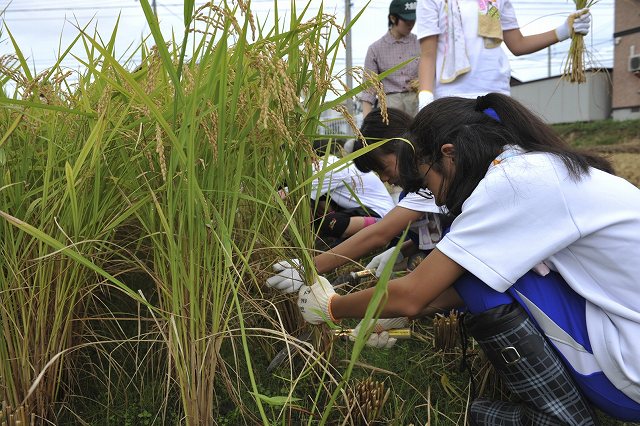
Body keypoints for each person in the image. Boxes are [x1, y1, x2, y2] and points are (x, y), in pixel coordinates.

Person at [292, 93, 640, 423]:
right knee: (481, 270)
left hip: (631, 375)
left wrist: (332, 306)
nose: (437, 199)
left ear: (449, 154)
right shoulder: (532, 165)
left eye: (427, 179)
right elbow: (437, 293)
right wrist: (386, 316)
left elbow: (415, 293)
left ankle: (559, 418)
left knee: (473, 273)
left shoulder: (514, 183)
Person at [267, 107, 447, 293]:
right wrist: (402, 250)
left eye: (384, 168)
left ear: (400, 145)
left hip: (381, 221)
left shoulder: (428, 186)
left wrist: (310, 267)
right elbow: (434, 237)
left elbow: (379, 234)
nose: (384, 178)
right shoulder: (414, 190)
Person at [415, 0, 592, 109]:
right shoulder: (431, 0)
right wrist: (425, 97)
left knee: (497, 162)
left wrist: (563, 31)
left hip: (495, 95)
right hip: (449, 97)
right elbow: (428, 54)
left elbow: (517, 44)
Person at [308, 139, 396, 241]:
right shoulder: (337, 163)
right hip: (362, 210)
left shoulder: (329, 167)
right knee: (321, 207)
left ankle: (379, 225)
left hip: (380, 214)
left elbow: (296, 195)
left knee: (333, 223)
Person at [358, 0, 420, 117]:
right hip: (390, 109)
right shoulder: (375, 49)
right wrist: (366, 124)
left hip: (417, 105)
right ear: (392, 18)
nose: (411, 23)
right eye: (406, 20)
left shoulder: (421, 44)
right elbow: (369, 90)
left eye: (413, 19)